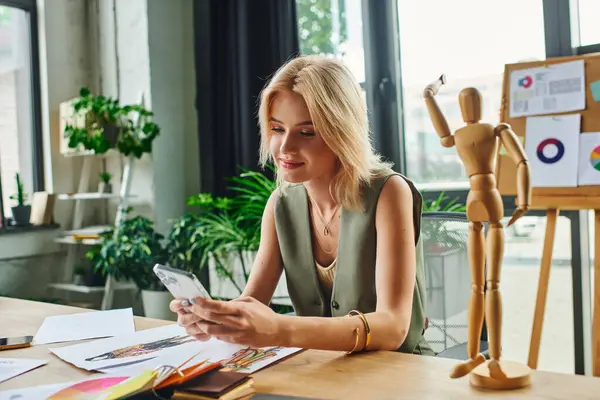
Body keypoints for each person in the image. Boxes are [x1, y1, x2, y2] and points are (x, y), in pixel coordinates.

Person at [170, 55, 433, 356]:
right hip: (324, 373)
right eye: (277, 129)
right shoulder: (280, 205)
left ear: (341, 132)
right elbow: (251, 303)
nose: (285, 148)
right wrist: (214, 318)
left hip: (399, 374)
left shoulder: (389, 192)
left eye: (306, 132)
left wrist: (280, 329)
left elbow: (392, 327)